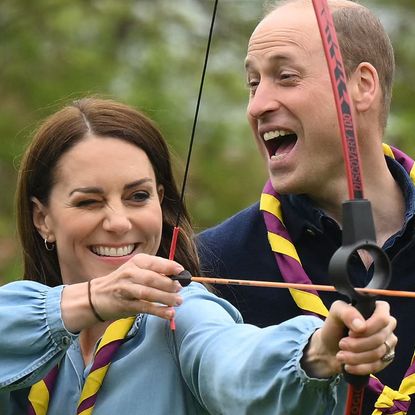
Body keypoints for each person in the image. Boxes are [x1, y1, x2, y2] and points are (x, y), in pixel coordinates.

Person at [0, 97, 395, 415]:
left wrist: (317, 352)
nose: (119, 223)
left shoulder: (184, 312)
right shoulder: (26, 332)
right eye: (89, 202)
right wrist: (89, 301)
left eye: (139, 196)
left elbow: (235, 364)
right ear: (43, 219)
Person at [197, 0, 415, 414]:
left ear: (362, 85)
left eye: (285, 77)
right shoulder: (209, 263)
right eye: (253, 83)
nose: (257, 105)